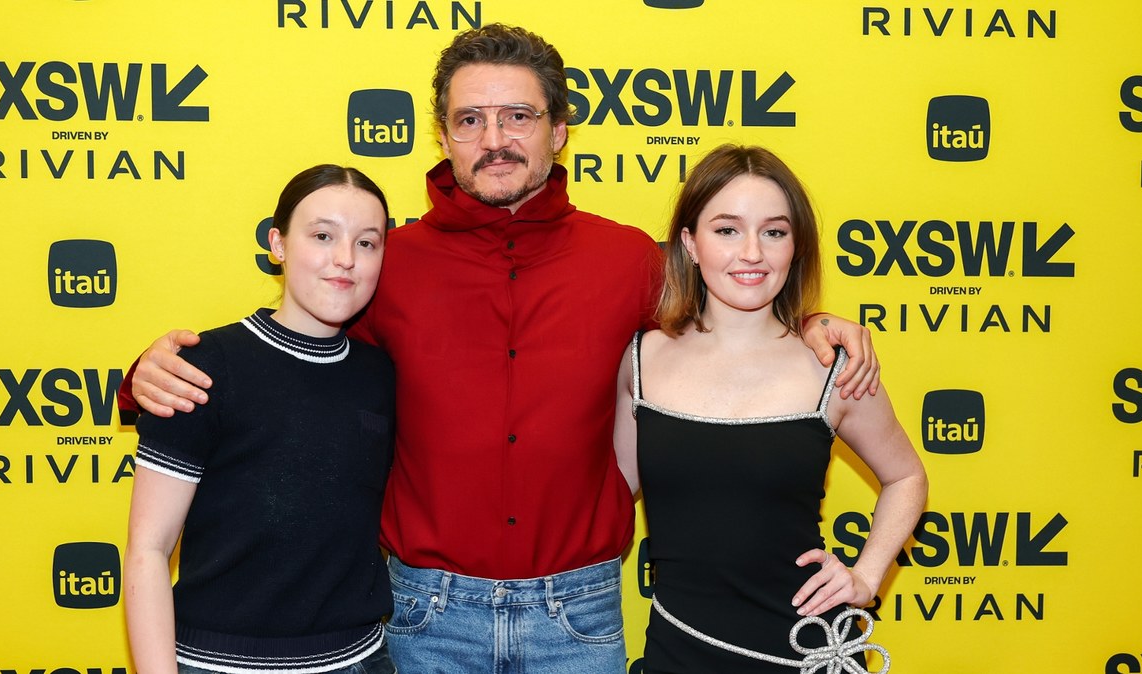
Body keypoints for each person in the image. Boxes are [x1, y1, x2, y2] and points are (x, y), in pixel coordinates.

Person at [121, 25, 881, 674]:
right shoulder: (386, 261)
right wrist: (149, 377)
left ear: (559, 129)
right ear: (443, 133)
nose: (494, 140)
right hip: (425, 619)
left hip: (578, 618)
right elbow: (285, 359)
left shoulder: (631, 261)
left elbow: (731, 318)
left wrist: (812, 327)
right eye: (470, 119)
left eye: (519, 116)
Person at [613, 145, 928, 673]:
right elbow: (611, 496)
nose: (753, 252)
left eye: (775, 232)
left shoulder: (832, 366)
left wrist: (867, 575)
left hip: (806, 649)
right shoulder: (642, 361)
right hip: (678, 651)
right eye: (727, 230)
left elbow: (907, 477)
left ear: (795, 246)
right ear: (690, 242)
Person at [123, 165, 398, 674]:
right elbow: (148, 548)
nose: (345, 260)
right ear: (278, 243)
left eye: (367, 243)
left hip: (358, 661)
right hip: (217, 664)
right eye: (322, 236)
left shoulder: (381, 374)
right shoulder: (202, 367)